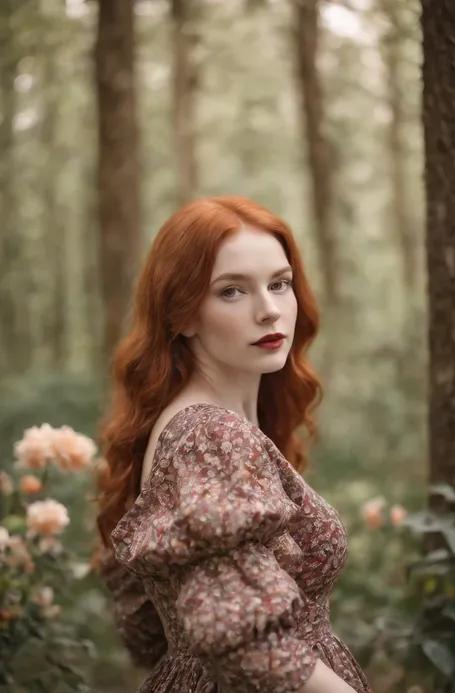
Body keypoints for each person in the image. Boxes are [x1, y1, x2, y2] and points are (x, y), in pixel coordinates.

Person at [95, 196, 373, 693]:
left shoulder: (198, 426)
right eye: (231, 292)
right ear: (182, 316)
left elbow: (150, 633)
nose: (269, 310)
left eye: (279, 284)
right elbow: (252, 645)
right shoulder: (209, 437)